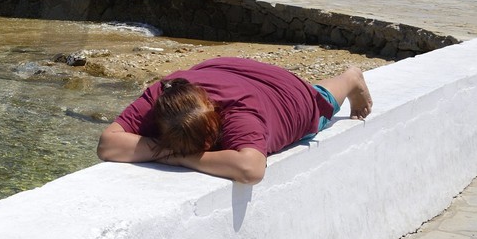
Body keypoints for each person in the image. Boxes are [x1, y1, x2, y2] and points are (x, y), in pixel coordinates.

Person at [97, 57, 372, 184]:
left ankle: (350, 78)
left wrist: (180, 158)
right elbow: (108, 144)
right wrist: (176, 150)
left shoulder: (240, 114)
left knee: (319, 102)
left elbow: (250, 169)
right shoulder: (167, 93)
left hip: (291, 95)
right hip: (222, 70)